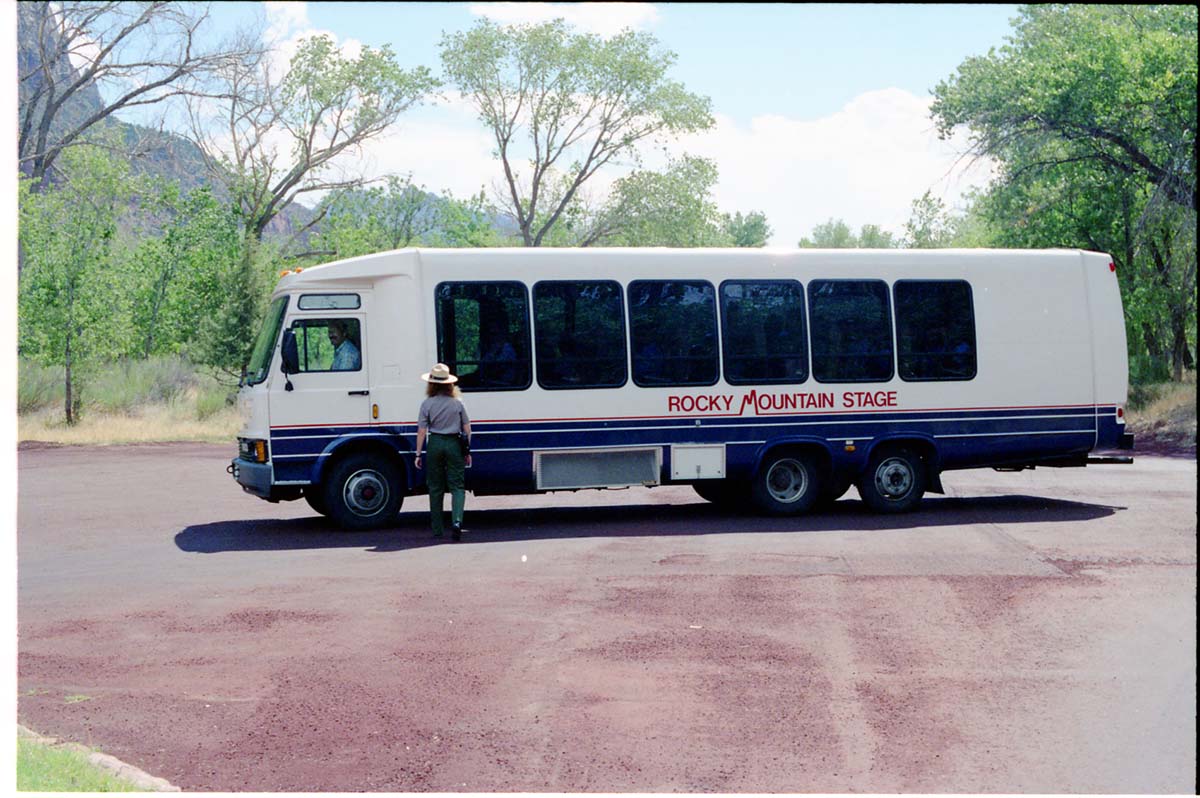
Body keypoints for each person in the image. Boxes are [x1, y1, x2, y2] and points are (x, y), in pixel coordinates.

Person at [414, 363, 471, 541]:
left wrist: (417, 454)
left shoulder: (427, 404)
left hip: (435, 443)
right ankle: (457, 522)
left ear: (431, 384)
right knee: (457, 486)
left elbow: (422, 431)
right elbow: (467, 429)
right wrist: (467, 450)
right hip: (454, 443)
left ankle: (437, 528)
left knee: (436, 487)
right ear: (449, 384)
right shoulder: (457, 404)